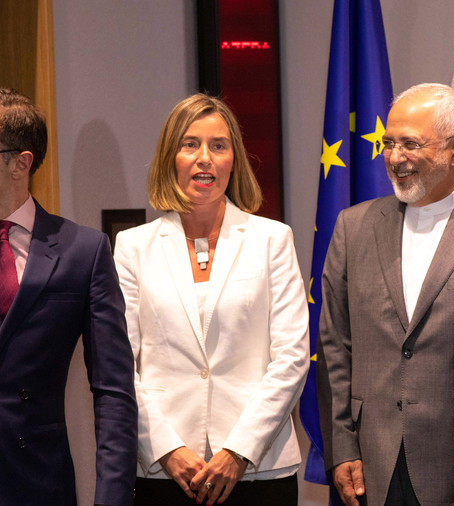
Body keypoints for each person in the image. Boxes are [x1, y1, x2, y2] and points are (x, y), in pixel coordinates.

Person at [316, 83, 454, 506]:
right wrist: (342, 445)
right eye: (388, 143)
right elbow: (334, 346)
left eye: (410, 144)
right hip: (373, 464)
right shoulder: (353, 227)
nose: (394, 158)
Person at [0, 88, 137, 505]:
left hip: (37, 482)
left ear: (19, 163)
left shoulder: (84, 251)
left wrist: (113, 497)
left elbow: (113, 390)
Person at [113, 93, 309, 506]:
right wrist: (167, 448)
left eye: (218, 146)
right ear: (171, 157)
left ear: (233, 159)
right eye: (190, 144)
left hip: (258, 469)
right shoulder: (132, 247)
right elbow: (120, 364)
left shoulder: (273, 239)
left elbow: (291, 358)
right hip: (164, 472)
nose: (205, 158)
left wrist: (238, 451)